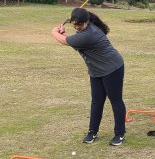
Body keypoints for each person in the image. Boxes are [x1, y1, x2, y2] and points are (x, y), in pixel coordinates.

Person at [51, 8, 126, 146]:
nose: (76, 27)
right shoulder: (83, 32)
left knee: (115, 101)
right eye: (74, 24)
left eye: (79, 25)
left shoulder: (90, 33)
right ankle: (92, 132)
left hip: (112, 69)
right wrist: (65, 34)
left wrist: (54, 32)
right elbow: (74, 41)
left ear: (87, 22)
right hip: (96, 70)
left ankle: (120, 134)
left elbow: (65, 41)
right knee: (97, 101)